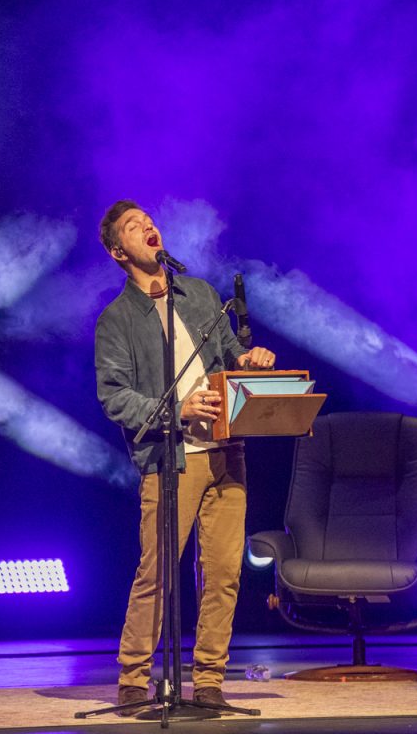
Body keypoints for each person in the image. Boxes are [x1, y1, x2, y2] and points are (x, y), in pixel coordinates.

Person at [94, 199, 276, 712]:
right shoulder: (117, 320)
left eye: (149, 220)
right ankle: (134, 676)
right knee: (158, 570)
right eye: (134, 226)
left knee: (223, 573)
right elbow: (114, 396)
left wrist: (251, 360)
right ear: (117, 252)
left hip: (226, 450)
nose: (148, 226)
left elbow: (229, 357)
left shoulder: (198, 295)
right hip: (170, 459)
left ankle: (211, 677)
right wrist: (176, 408)